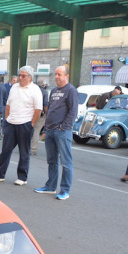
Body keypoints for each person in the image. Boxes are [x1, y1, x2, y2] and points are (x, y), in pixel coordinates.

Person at [0, 66, 43, 185]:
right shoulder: (14, 87)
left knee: (24, 152)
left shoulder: (35, 89)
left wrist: (31, 124)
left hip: (25, 124)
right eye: (19, 75)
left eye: (23, 76)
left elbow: (38, 110)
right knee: (5, 150)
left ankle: (22, 177)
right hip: (11, 123)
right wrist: (6, 120)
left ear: (30, 77)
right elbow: (8, 105)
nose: (20, 78)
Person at [33, 66, 79, 200]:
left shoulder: (71, 90)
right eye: (55, 74)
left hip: (62, 131)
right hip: (51, 130)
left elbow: (73, 112)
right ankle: (50, 186)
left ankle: (65, 190)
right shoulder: (53, 91)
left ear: (67, 76)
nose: (57, 77)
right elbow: (50, 110)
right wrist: (46, 129)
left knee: (66, 162)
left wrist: (63, 127)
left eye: (59, 74)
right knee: (51, 161)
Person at [31, 79, 49, 155]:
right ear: (44, 85)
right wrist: (46, 114)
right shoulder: (44, 92)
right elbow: (45, 104)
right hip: (39, 114)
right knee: (36, 131)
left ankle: (23, 146)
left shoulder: (32, 89)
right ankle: (33, 149)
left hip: (29, 113)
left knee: (27, 129)